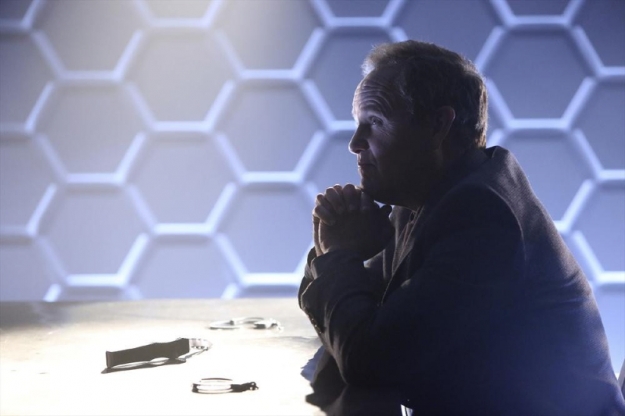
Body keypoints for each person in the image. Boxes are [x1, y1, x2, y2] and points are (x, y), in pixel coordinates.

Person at [298, 40, 625, 415]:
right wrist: (332, 253)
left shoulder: (482, 216)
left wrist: (338, 256)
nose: (356, 143)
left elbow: (369, 361)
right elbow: (357, 319)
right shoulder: (424, 198)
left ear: (438, 125)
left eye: (375, 122)